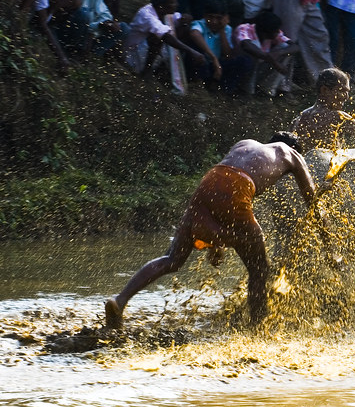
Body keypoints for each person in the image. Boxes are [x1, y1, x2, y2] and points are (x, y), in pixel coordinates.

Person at [104, 134, 320, 330]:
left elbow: (221, 188)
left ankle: (120, 301)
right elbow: (313, 202)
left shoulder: (245, 144)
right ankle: (257, 329)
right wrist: (330, 249)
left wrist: (217, 242)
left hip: (210, 181)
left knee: (173, 258)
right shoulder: (291, 153)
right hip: (238, 185)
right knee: (260, 269)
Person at [293, 67, 355, 150]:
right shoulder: (335, 116)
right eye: (342, 90)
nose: (346, 97)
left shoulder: (299, 119)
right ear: (324, 90)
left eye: (347, 92)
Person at [124, 0, 206, 78]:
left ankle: (166, 70)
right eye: (173, 3)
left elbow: (180, 18)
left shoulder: (163, 12)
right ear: (161, 6)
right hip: (133, 55)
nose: (177, 5)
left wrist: (186, 19)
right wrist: (191, 52)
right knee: (158, 38)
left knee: (185, 28)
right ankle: (146, 72)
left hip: (144, 51)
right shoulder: (147, 15)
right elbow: (165, 36)